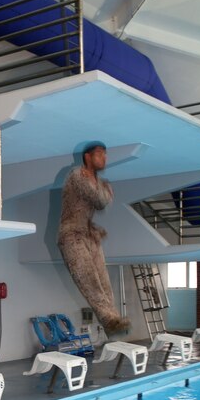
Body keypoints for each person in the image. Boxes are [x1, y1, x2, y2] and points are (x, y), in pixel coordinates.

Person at [58, 142, 130, 334]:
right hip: (71, 236)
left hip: (88, 234)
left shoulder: (97, 181)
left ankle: (113, 320)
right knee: (90, 280)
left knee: (104, 281)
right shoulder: (77, 175)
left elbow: (96, 203)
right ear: (88, 157)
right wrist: (107, 191)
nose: (104, 158)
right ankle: (108, 319)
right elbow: (99, 201)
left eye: (105, 154)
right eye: (99, 154)